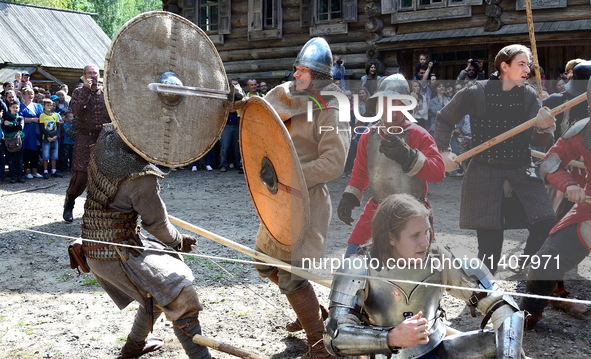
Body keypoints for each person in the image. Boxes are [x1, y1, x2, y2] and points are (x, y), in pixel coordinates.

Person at [325, 194, 526, 358]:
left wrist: (508, 355)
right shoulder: (358, 267)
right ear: (390, 237)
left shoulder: (440, 258)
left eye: (427, 232)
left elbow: (503, 305)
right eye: (415, 235)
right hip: (379, 354)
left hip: (433, 347)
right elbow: (334, 337)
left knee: (501, 342)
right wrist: (390, 337)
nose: (425, 242)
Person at [78, 124, 211, 358]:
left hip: (96, 245)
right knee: (179, 293)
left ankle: (133, 347)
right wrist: (179, 242)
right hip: (116, 254)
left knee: (156, 289)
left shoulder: (106, 143)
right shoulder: (141, 178)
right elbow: (157, 225)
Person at [253, 37, 349, 359]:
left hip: (307, 202)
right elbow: (260, 112)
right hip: (279, 199)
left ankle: (319, 346)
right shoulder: (286, 95)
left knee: (294, 277)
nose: (296, 74)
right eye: (296, 68)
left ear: (320, 76)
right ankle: (313, 312)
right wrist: (240, 101)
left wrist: (290, 176)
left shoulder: (332, 106)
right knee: (262, 262)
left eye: (304, 70)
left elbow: (333, 162)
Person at [434, 44, 557, 274]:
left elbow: (540, 141)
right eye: (521, 64)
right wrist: (443, 151)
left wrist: (544, 128)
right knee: (490, 247)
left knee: (546, 224)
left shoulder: (529, 95)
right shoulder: (476, 92)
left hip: (521, 170)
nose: (527, 70)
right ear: (504, 66)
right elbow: (444, 119)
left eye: (528, 65)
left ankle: (526, 265)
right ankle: (484, 297)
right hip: (485, 172)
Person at [337, 74, 445, 257]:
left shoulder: (419, 135)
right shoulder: (368, 136)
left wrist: (409, 157)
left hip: (413, 213)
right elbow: (361, 173)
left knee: (421, 270)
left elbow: (438, 172)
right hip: (376, 210)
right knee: (352, 263)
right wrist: (350, 197)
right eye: (387, 104)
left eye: (399, 104)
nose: (393, 111)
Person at [520, 77, 591, 327]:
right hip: (588, 216)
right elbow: (550, 162)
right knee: (543, 265)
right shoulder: (584, 131)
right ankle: (528, 317)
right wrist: (569, 184)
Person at [63, 64, 111, 223]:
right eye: (89, 73)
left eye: (95, 73)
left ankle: (100, 209)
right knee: (81, 173)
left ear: (99, 75)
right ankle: (69, 202)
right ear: (84, 76)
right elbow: (76, 112)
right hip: (84, 137)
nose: (92, 76)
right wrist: (85, 90)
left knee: (105, 173)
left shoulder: (107, 92)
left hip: (104, 137)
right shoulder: (77, 92)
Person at [19, 87, 43, 179]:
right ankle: (27, 171)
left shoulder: (38, 106)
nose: (30, 96)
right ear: (23, 95)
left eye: (31, 94)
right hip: (26, 132)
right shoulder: (20, 106)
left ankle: (35, 171)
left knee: (35, 152)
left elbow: (41, 117)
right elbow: (20, 118)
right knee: (26, 152)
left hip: (36, 132)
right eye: (28, 94)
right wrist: (32, 119)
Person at [219, 80, 241, 173]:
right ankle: (223, 165)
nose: (234, 86)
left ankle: (238, 164)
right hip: (226, 125)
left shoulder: (240, 97)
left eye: (236, 84)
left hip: (236, 125)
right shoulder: (225, 96)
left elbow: (238, 109)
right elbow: (225, 109)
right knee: (225, 146)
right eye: (232, 84)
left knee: (237, 147)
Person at [38, 98, 63, 179]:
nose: (49, 107)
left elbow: (58, 126)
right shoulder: (42, 116)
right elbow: (42, 128)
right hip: (46, 139)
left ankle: (53, 170)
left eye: (51, 105)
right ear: (44, 106)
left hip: (55, 138)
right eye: (47, 105)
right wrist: (48, 137)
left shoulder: (55, 115)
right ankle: (45, 171)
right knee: (45, 156)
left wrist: (56, 136)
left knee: (54, 156)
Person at [2, 101, 25, 183]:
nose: (15, 109)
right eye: (13, 107)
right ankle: (13, 176)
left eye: (17, 107)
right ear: (9, 108)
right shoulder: (6, 118)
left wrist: (11, 124)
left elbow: (20, 127)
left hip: (19, 141)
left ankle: (19, 176)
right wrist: (13, 126)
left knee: (19, 159)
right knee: (11, 159)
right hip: (9, 142)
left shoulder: (20, 118)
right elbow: (6, 128)